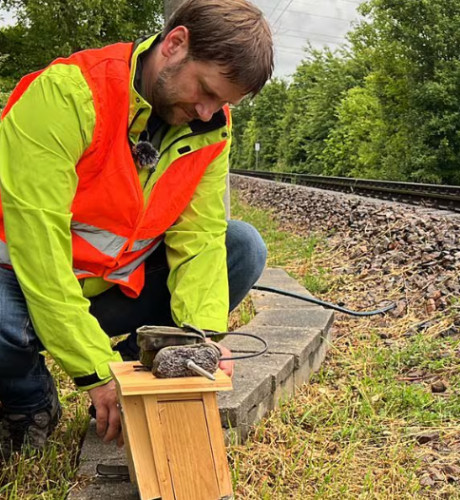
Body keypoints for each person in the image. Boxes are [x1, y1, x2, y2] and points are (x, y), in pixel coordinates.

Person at [0, 0, 273, 455]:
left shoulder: (210, 128)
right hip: (23, 288)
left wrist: (197, 341)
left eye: (223, 103)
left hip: (114, 289)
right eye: (205, 90)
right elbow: (41, 252)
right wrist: (93, 369)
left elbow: (200, 241)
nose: (208, 113)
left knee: (241, 247)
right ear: (175, 44)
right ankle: (30, 400)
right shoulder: (67, 96)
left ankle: (137, 372)